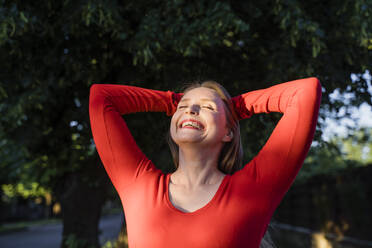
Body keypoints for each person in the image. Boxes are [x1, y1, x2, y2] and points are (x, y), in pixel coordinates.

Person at [89, 77, 322, 248]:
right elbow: (101, 97)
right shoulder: (138, 184)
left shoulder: (254, 190)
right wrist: (170, 101)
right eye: (183, 106)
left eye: (207, 107)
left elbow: (304, 92)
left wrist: (236, 107)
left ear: (228, 132)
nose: (191, 109)